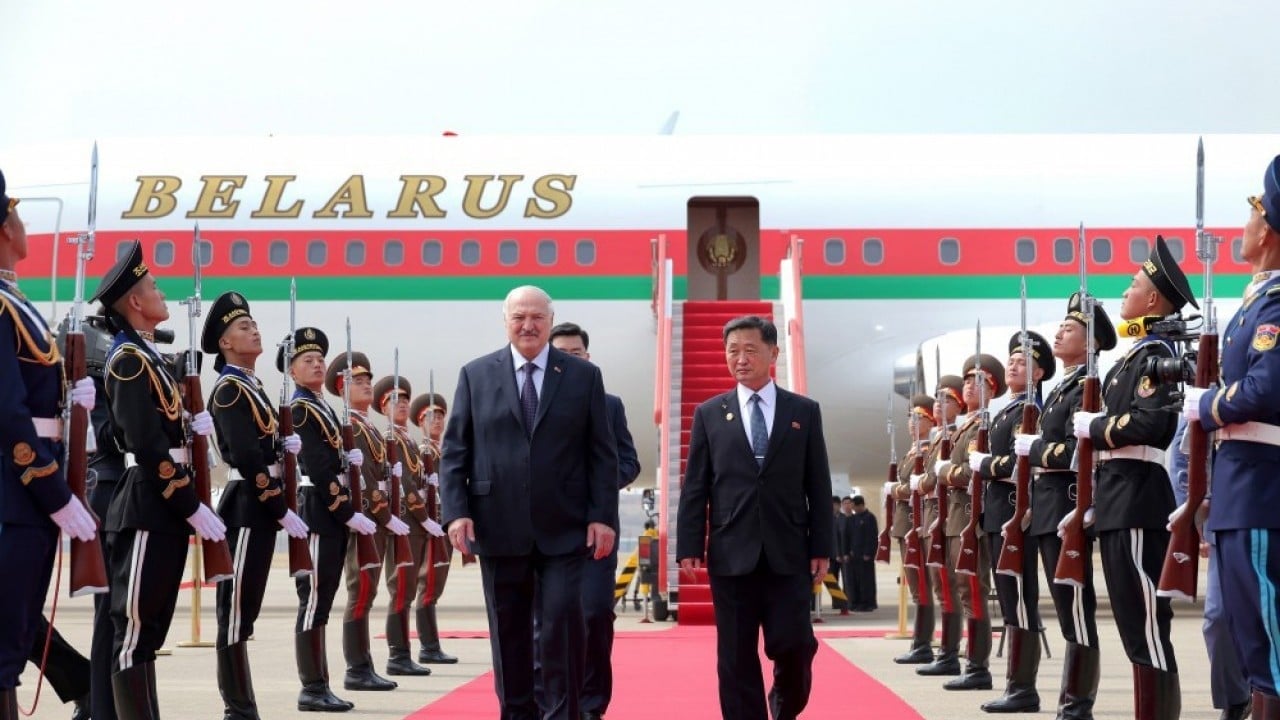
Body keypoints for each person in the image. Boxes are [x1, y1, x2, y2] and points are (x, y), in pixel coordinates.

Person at [440, 285, 619, 720]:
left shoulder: (581, 377)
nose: (528, 325)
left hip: (565, 527)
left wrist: (602, 517)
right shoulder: (476, 374)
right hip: (497, 526)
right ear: (506, 322)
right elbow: (455, 450)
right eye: (519, 317)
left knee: (562, 629)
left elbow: (602, 454)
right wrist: (456, 511)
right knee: (509, 635)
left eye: (537, 317)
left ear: (550, 321)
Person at [93, 239, 227, 719]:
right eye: (151, 286)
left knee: (150, 633)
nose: (160, 292)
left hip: (164, 506)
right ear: (134, 302)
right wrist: (189, 502)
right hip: (148, 503)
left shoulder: (149, 358)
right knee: (133, 631)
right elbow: (144, 442)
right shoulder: (128, 359)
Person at [676, 314, 833, 720]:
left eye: (750, 350)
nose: (740, 359)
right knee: (735, 655)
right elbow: (696, 486)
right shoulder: (710, 413)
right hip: (732, 552)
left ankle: (783, 708)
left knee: (796, 645)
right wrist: (689, 546)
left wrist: (822, 546)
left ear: (773, 353)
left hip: (789, 551)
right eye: (732, 351)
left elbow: (817, 483)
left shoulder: (804, 411)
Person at [1075, 235, 1191, 720]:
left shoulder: (1156, 354)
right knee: (1130, 622)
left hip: (1141, 497)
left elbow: (1153, 424)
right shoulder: (1134, 356)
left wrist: (1096, 427)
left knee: (1146, 624)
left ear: (1153, 299)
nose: (1124, 292)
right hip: (1119, 496)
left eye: (1133, 284)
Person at [0, 169, 97, 718]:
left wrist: (69, 393)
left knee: (13, 639)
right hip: (15, 493)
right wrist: (51, 489)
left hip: (26, 498)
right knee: (5, 649)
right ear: (4, 228)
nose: (25, 224)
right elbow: (8, 413)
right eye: (17, 214)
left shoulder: (18, 303)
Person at [1187, 161, 1280, 720]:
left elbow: (1266, 388)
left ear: (1267, 229)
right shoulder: (1255, 301)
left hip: (1261, 483)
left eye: (1250, 213)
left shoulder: (1274, 305)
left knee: (1266, 626)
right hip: (1238, 483)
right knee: (1248, 627)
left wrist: (1207, 405)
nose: (1240, 226)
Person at [202, 291, 309, 719]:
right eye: (244, 327)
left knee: (245, 614)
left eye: (253, 324)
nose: (254, 330)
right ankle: (238, 709)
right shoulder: (230, 390)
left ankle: (243, 706)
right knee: (234, 615)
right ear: (226, 343)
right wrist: (279, 505)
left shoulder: (253, 386)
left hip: (259, 509)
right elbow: (246, 457)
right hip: (246, 506)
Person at [546, 321, 641, 720]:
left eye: (577, 354)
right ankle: (555, 701)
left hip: (595, 532)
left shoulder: (610, 403)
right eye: (561, 355)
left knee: (596, 614)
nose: (569, 361)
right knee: (549, 621)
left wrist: (596, 488)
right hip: (547, 531)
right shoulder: (535, 402)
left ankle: (590, 704)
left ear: (588, 357)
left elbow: (629, 462)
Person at [284, 327, 376, 712]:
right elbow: (318, 469)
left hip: (330, 512)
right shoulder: (302, 408)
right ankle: (312, 686)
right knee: (314, 600)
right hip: (319, 511)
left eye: (320, 359)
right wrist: (347, 512)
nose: (318, 363)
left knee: (323, 600)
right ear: (291, 371)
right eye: (308, 360)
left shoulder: (319, 404)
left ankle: (321, 683)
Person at [974, 331, 1053, 713]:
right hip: (997, 513)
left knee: (1020, 601)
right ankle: (1015, 684)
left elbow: (1027, 464)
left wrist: (986, 465)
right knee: (1009, 601)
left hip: (1015, 515)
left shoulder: (1032, 410)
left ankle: (1024, 688)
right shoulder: (1007, 408)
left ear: (1038, 374)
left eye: (1023, 362)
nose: (1013, 365)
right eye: (1012, 359)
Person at [327, 353, 411, 692]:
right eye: (357, 381)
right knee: (359, 591)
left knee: (369, 590)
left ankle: (364, 664)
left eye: (367, 380)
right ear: (341, 388)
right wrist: (385, 515)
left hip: (375, 521)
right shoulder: (349, 424)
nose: (366, 385)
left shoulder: (367, 425)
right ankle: (356, 668)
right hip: (366, 520)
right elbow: (362, 482)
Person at [1168, 419, 1250, 720]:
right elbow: (1181, 456)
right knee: (1217, 618)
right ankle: (1236, 698)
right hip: (1225, 517)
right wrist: (1194, 518)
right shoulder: (1210, 391)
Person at [934, 353, 1006, 692]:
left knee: (973, 590)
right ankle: (970, 661)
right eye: (966, 382)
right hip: (955, 518)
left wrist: (946, 472)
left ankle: (978, 666)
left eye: (978, 382)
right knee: (963, 590)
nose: (969, 387)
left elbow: (976, 473)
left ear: (992, 389)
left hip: (970, 520)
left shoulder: (985, 425)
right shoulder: (967, 425)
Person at [370, 374, 433, 677]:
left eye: (406, 400)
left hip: (414, 524)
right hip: (404, 523)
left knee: (407, 590)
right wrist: (424, 518)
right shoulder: (388, 439)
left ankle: (403, 652)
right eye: (395, 401)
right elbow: (404, 486)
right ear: (383, 408)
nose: (403, 405)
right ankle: (398, 653)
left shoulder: (407, 440)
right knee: (400, 587)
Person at [916, 376, 966, 677]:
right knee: (940, 588)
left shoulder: (960, 433)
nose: (938, 404)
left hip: (953, 518)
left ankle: (956, 656)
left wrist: (923, 482)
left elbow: (938, 478)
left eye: (946, 400)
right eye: (937, 399)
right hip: (933, 519)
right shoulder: (939, 438)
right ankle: (945, 652)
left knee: (958, 588)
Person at [408, 391, 456, 665]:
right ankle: (428, 646)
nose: (436, 421)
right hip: (430, 526)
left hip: (442, 524)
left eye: (439, 416)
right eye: (430, 417)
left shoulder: (441, 450)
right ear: (420, 421)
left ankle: (431, 644)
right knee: (428, 584)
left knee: (435, 584)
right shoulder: (423, 451)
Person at [889, 393, 937, 664]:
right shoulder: (912, 450)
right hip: (906, 522)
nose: (912, 422)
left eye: (919, 418)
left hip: (918, 523)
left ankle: (923, 643)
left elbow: (919, 487)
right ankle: (921, 642)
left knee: (922, 587)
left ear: (930, 423)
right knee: (917, 587)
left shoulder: (927, 451)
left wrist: (895, 489)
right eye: (910, 417)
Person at [847, 495, 878, 611]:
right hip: (855, 555)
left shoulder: (870, 518)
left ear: (860, 505)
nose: (853, 509)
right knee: (857, 580)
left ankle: (868, 603)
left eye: (854, 507)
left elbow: (872, 537)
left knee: (867, 580)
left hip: (866, 556)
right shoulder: (854, 518)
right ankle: (858, 602)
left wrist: (868, 553)